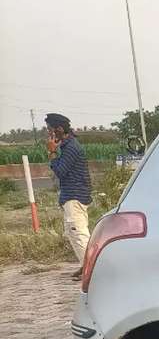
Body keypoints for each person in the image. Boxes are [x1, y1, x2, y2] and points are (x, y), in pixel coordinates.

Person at [46, 113, 92, 279]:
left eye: (50, 130)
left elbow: (60, 171)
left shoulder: (71, 147)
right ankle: (85, 265)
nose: (49, 134)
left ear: (59, 129)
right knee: (72, 232)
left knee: (79, 233)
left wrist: (52, 152)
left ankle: (92, 270)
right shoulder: (67, 146)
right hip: (72, 195)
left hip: (75, 195)